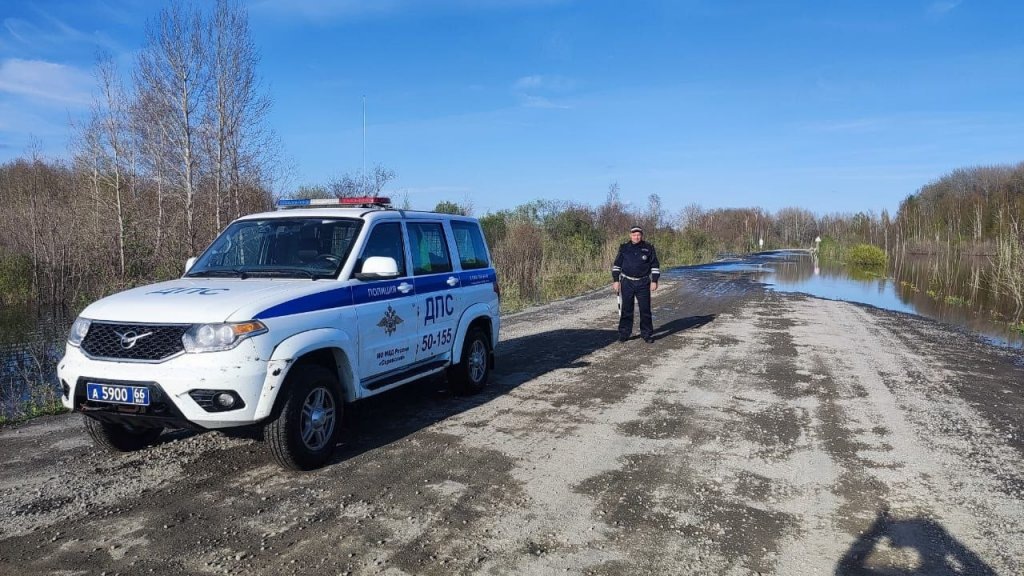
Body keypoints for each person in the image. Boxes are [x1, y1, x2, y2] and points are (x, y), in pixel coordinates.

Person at [611, 226, 660, 343]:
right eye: (634, 235)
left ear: (641, 235)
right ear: (630, 235)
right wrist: (616, 280)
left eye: (638, 235)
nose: (636, 237)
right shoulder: (624, 248)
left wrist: (654, 281)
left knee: (645, 309)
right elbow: (617, 265)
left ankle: (646, 334)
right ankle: (624, 333)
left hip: (643, 282)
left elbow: (655, 266)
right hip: (627, 282)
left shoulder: (648, 248)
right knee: (626, 309)